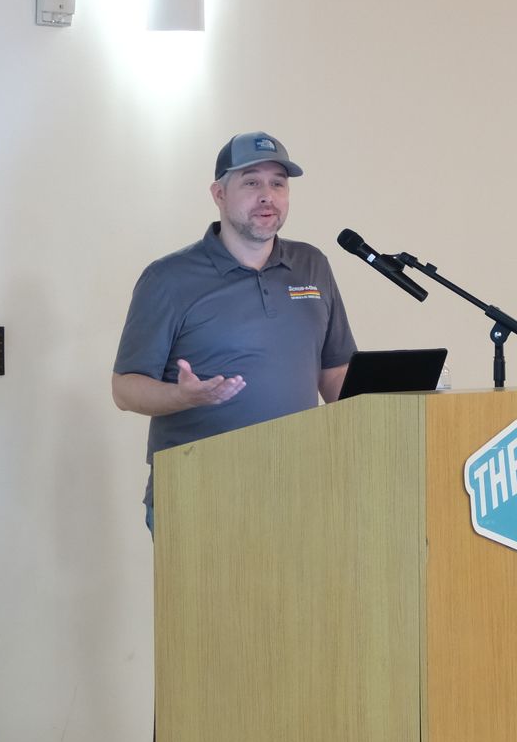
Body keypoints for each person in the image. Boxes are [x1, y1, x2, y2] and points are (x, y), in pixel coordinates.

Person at [111, 132, 357, 532]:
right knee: (206, 598)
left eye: (278, 183)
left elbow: (333, 373)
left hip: (298, 487)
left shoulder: (311, 265)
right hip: (199, 491)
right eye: (251, 182)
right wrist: (182, 395)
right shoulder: (168, 279)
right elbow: (124, 389)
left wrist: (393, 405)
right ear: (219, 193)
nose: (267, 195)